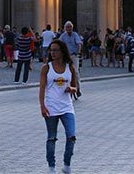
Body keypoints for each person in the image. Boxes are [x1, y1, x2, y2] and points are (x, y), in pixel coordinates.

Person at [39, 39, 78, 174]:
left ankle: (66, 164)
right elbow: (42, 88)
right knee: (51, 138)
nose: (53, 52)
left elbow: (75, 86)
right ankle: (52, 167)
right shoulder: (46, 68)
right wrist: (42, 106)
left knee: (71, 136)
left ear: (62, 51)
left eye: (55, 50)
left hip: (67, 107)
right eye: (51, 50)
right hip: (51, 108)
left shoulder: (70, 67)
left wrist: (71, 89)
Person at [59, 22, 83, 98]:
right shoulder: (63, 36)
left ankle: (78, 89)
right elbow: (59, 44)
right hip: (66, 56)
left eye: (70, 27)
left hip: (74, 55)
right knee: (64, 71)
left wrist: (78, 52)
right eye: (67, 27)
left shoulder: (75, 35)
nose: (69, 29)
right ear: (65, 28)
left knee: (75, 72)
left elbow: (79, 44)